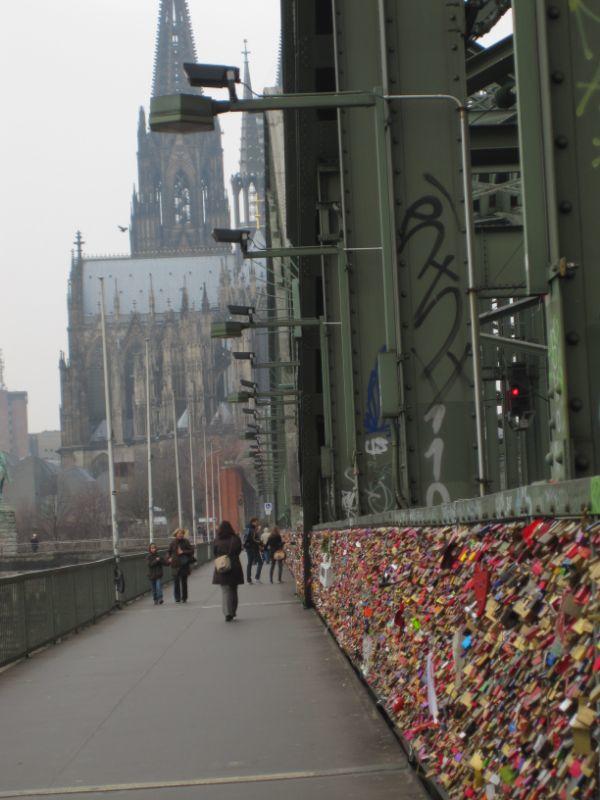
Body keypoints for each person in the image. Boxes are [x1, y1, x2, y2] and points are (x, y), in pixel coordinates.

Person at [212, 520, 244, 622]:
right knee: (233, 590)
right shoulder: (235, 539)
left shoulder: (217, 540)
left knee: (225, 591)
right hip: (234, 565)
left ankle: (227, 613)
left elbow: (215, 552)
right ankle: (233, 611)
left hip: (221, 566)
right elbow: (239, 550)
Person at [168, 528, 194, 603]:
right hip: (175, 564)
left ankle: (184, 597)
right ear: (176, 534)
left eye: (182, 533)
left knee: (184, 582)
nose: (180, 535)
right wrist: (169, 558)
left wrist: (183, 552)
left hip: (184, 564)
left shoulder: (186, 542)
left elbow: (191, 550)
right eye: (179, 533)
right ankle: (177, 598)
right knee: (176, 582)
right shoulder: (173, 543)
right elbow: (169, 552)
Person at [243, 517, 263, 583]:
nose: (257, 523)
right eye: (256, 522)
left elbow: (246, 538)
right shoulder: (252, 529)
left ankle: (249, 579)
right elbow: (254, 539)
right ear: (253, 522)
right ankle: (257, 578)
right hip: (254, 548)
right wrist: (260, 543)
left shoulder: (247, 528)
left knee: (249, 563)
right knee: (260, 562)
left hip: (248, 548)